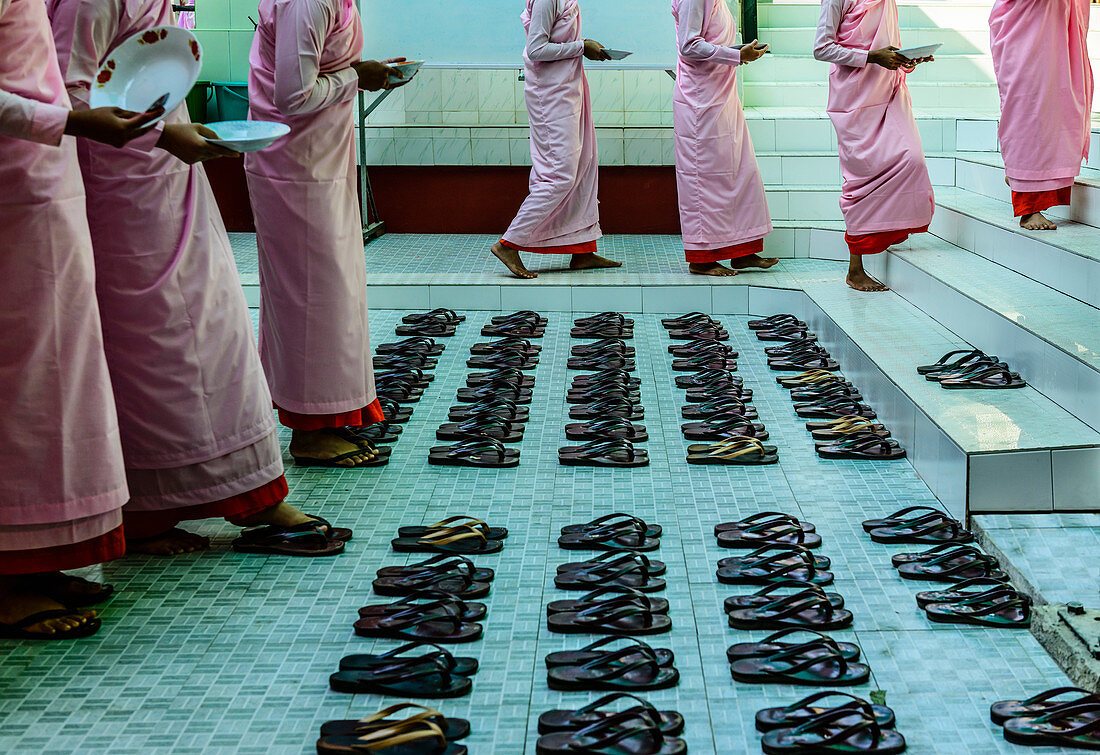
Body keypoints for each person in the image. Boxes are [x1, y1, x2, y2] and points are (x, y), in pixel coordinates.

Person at [48, 0, 350, 557]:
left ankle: (252, 491)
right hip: (120, 192)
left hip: (170, 170)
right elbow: (71, 99)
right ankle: (148, 511)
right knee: (152, 344)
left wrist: (176, 133)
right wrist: (163, 137)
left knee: (216, 328)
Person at [0, 0, 163, 639]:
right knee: (20, 377)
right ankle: (9, 578)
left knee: (55, 375)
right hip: (16, 179)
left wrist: (69, 125)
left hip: (45, 177)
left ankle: (36, 560)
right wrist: (67, 119)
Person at [246, 0, 405, 467]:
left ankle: (335, 415)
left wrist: (362, 71)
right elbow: (292, 96)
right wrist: (360, 77)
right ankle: (310, 430)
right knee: (311, 297)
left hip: (320, 157)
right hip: (293, 166)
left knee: (335, 293)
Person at [489, 0, 620, 280]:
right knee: (559, 175)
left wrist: (583, 46)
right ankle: (508, 243)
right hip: (550, 95)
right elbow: (536, 49)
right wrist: (582, 46)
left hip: (568, 88)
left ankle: (582, 250)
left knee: (584, 167)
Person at [814, 0, 935, 292]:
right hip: (854, 98)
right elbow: (822, 48)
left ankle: (887, 230)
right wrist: (871, 57)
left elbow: (887, 48)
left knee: (912, 158)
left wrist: (906, 60)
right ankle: (855, 269)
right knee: (861, 179)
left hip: (889, 88)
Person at [673, 0, 776, 277]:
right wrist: (735, 55)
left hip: (721, 95)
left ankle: (742, 252)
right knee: (705, 179)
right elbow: (688, 45)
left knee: (740, 172)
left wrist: (739, 52)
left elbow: (710, 43)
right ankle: (702, 259)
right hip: (700, 100)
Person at [989, 0, 1093, 231]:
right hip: (1027, 27)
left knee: (1059, 108)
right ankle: (1028, 206)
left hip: (1056, 20)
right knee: (1029, 111)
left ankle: (1021, 177)